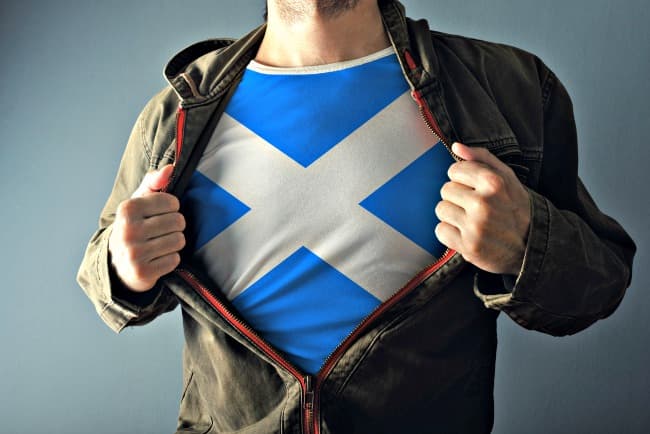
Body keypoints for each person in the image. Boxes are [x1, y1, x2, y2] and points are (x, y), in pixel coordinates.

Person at [77, 0, 636, 432]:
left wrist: (525, 244)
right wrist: (124, 267)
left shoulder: (510, 88)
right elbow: (101, 273)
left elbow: (599, 287)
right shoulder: (177, 109)